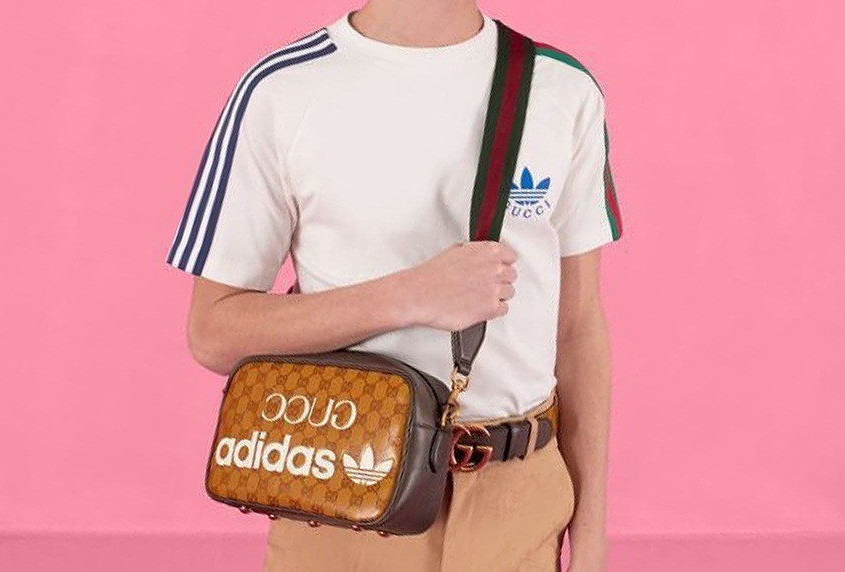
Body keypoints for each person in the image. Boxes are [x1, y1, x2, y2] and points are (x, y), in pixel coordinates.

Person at [166, 0, 622, 570]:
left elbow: (578, 329)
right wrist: (409, 296)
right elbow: (213, 332)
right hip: (348, 492)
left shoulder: (561, 88)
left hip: (521, 500)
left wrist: (593, 538)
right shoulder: (281, 89)